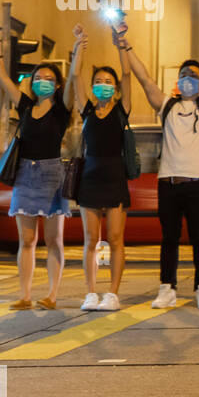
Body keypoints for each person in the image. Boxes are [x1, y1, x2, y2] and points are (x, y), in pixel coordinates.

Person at [120, 28, 199, 309]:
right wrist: (126, 46)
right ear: (178, 81)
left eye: (195, 75)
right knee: (169, 238)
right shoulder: (167, 106)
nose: (189, 78)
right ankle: (167, 288)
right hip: (168, 182)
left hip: (198, 183)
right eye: (184, 74)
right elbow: (144, 78)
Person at [0, 33, 78, 310]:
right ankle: (24, 295)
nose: (42, 82)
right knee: (26, 239)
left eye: (49, 78)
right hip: (25, 173)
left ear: (57, 84)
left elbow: (73, 80)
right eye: (38, 78)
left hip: (52, 175)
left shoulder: (62, 109)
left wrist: (77, 50)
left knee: (53, 239)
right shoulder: (25, 107)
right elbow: (3, 79)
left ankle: (52, 295)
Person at [72, 24, 132, 311]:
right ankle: (91, 293)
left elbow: (129, 74)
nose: (102, 84)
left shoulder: (122, 110)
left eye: (108, 81)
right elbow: (74, 76)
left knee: (116, 238)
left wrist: (121, 44)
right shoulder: (87, 110)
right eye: (98, 80)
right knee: (91, 239)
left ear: (116, 88)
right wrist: (78, 45)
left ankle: (113, 294)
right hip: (90, 179)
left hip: (115, 177)